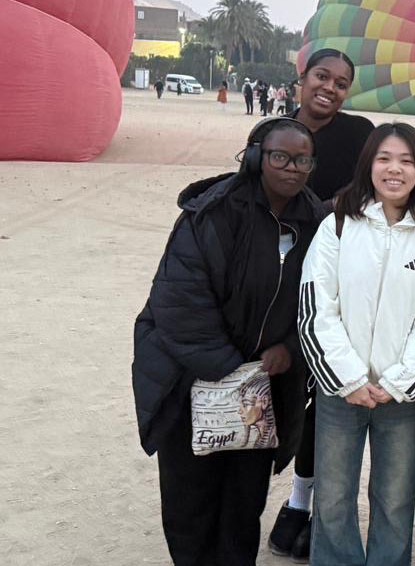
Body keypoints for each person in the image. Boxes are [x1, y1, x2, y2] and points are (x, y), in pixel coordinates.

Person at [132, 117, 324, 566]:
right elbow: (179, 304)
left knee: (243, 503)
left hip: (265, 392)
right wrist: (235, 370)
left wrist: (291, 349)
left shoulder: (315, 221)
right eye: (281, 156)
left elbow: (324, 301)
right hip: (192, 381)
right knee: (191, 503)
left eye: (303, 160)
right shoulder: (211, 214)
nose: (293, 168)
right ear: (256, 157)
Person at [299, 122, 415, 566]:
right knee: (333, 498)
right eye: (385, 158)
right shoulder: (338, 225)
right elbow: (317, 307)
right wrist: (348, 378)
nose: (395, 170)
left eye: (406, 161)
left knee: (395, 500)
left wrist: (400, 381)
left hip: (400, 396)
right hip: (340, 391)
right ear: (368, 165)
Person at [265, 49, 375, 561]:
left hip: (335, 280)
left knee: (321, 397)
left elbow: (375, 182)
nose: (330, 88)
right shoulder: (272, 131)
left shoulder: (358, 135)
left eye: (341, 82)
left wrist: (324, 208)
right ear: (302, 79)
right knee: (276, 390)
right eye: (322, 77)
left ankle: (299, 502)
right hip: (276, 279)